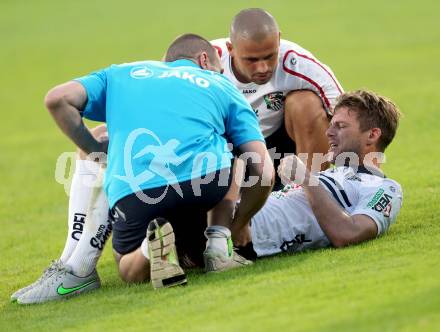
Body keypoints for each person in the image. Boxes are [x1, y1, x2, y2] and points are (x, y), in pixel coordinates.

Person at [13, 34, 274, 304]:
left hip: (138, 191)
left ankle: (98, 261)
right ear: (204, 60)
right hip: (206, 185)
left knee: (126, 266)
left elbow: (57, 99)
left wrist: (94, 150)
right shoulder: (219, 84)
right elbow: (263, 171)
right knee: (230, 144)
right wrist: (237, 224)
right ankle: (218, 247)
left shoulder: (120, 74)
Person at [235, 89, 403, 258]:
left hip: (246, 231)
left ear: (372, 135)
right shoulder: (332, 174)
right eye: (331, 125)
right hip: (235, 214)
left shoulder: (385, 188)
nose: (328, 133)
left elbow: (349, 233)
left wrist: (306, 179)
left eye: (341, 126)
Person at [211, 8, 344, 188]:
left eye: (269, 56)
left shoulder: (297, 63)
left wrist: (361, 174)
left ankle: (309, 195)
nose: (263, 68)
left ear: (278, 40)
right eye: (252, 60)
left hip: (279, 153)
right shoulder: (206, 64)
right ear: (231, 49)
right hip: (222, 153)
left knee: (305, 103)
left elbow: (346, 115)